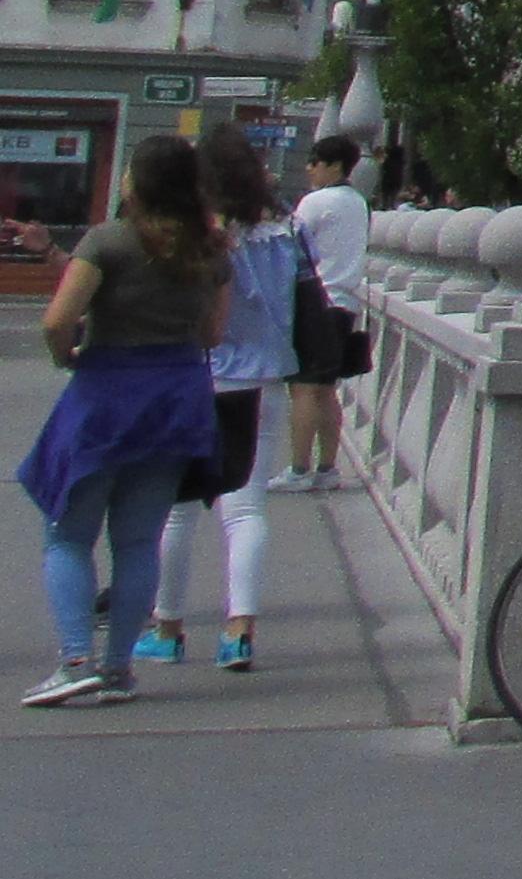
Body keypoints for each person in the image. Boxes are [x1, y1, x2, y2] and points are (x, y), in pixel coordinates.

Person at [24, 133, 226, 707]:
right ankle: (117, 669)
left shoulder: (108, 240)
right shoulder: (210, 247)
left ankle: (73, 660)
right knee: (139, 540)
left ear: (134, 181)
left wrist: (68, 355)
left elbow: (57, 320)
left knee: (67, 533)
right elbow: (212, 334)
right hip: (177, 400)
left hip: (107, 395)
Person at [140, 134, 304, 676]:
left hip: (198, 376)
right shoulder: (285, 233)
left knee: (177, 510)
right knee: (247, 510)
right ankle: (239, 633)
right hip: (263, 378)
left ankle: (167, 630)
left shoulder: (200, 239)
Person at [276, 132, 369, 492]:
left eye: (314, 162)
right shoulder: (359, 202)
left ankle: (298, 469)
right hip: (346, 303)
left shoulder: (315, 203)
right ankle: (327, 468)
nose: (308, 168)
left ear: (334, 166)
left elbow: (291, 250)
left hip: (317, 302)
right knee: (327, 389)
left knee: (304, 389)